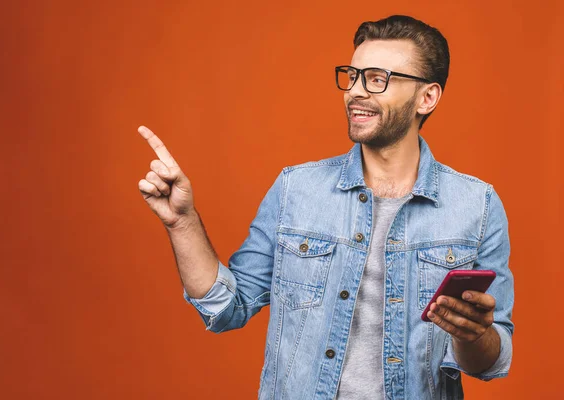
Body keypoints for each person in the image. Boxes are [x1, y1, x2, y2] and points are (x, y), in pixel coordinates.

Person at [137, 15, 514, 400]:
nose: (355, 91)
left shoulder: (476, 205)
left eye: (377, 79)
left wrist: (475, 334)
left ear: (427, 97)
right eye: (352, 75)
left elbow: (491, 361)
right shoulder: (295, 190)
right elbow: (226, 309)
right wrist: (182, 222)